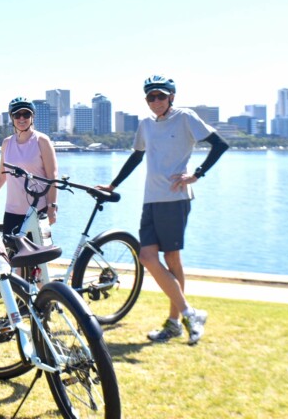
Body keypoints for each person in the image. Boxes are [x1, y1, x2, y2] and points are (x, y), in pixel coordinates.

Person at [98, 75, 228, 345]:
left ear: (172, 96)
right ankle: (189, 314)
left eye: (160, 96)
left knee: (172, 259)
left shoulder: (185, 117)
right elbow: (137, 156)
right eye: (150, 97)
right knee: (146, 257)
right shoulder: (146, 124)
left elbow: (220, 144)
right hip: (151, 200)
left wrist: (197, 174)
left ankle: (174, 323)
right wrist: (112, 184)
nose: (155, 101)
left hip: (175, 199)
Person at [0, 97, 59, 237]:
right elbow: (0, 177)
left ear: (32, 116)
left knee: (37, 257)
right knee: (12, 256)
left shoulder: (42, 141)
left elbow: (52, 176)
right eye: (17, 115)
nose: (21, 118)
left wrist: (52, 207)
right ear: (11, 117)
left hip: (37, 210)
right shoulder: (7, 143)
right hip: (12, 211)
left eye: (26, 114)